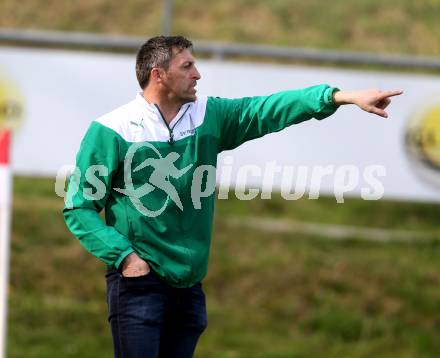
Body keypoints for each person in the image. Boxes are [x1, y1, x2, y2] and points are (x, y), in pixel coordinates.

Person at [63, 35, 402, 357]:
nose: (198, 74)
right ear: (159, 75)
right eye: (187, 66)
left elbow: (268, 109)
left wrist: (339, 97)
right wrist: (124, 257)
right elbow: (79, 207)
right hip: (139, 286)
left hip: (189, 286)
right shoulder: (111, 130)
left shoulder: (209, 115)